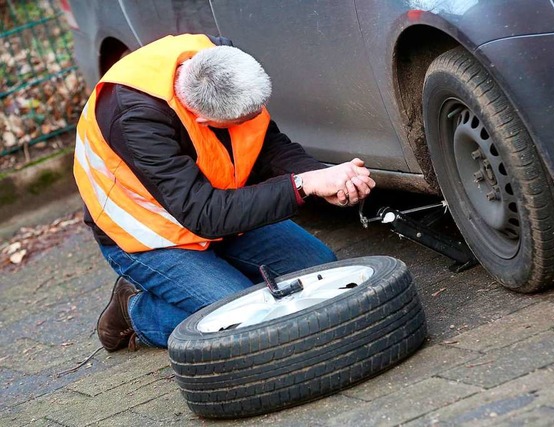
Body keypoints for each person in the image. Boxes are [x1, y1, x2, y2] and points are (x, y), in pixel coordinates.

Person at [73, 34, 376, 352]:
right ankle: (136, 312)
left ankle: (227, 284)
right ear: (202, 119)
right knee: (240, 318)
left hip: (217, 210)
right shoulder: (134, 119)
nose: (253, 121)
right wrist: (302, 186)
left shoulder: (224, 64)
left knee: (319, 268)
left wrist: (320, 176)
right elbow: (203, 215)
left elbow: (267, 146)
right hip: (149, 237)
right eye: (240, 121)